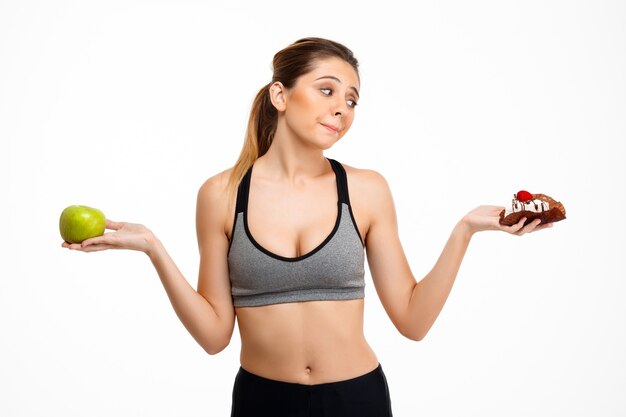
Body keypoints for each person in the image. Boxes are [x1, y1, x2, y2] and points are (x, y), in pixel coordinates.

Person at [62, 37, 553, 416]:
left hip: (357, 399)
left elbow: (412, 321)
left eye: (353, 100)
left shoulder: (365, 189)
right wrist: (152, 247)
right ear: (280, 94)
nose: (342, 107)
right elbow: (215, 336)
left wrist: (464, 230)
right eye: (326, 90)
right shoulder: (221, 195)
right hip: (261, 401)